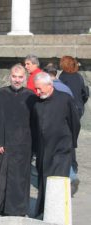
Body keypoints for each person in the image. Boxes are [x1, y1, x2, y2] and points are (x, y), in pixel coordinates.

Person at [0, 64, 37, 216]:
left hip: (23, 144)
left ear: (25, 78)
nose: (17, 80)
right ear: (9, 76)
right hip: (4, 143)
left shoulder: (31, 96)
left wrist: (34, 146)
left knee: (20, 178)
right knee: (1, 176)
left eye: (20, 77)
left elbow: (34, 122)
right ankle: (0, 207)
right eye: (14, 77)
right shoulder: (0, 94)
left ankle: (18, 208)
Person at [32, 72, 80, 218]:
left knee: (57, 180)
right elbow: (34, 125)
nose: (38, 92)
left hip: (61, 149)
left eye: (40, 89)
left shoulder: (65, 99)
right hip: (43, 149)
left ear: (50, 85)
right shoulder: (36, 102)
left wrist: (70, 143)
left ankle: (56, 212)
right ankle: (42, 211)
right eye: (36, 89)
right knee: (43, 180)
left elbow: (74, 123)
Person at [59, 56, 88, 195]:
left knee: (66, 140)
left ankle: (71, 170)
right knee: (71, 139)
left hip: (68, 111)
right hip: (79, 110)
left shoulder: (63, 77)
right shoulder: (78, 77)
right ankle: (73, 167)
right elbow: (85, 93)